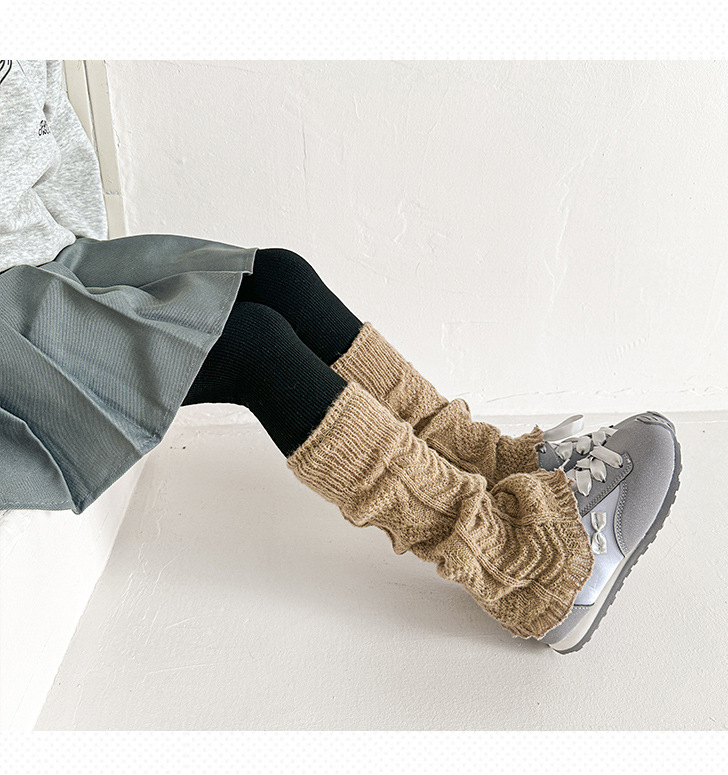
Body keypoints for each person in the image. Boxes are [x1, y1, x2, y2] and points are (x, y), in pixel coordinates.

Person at [0, 60, 681, 653]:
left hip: (52, 263)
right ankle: (522, 569)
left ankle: (486, 460)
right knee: (252, 345)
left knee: (280, 277)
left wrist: (86, 280)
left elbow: (49, 145)